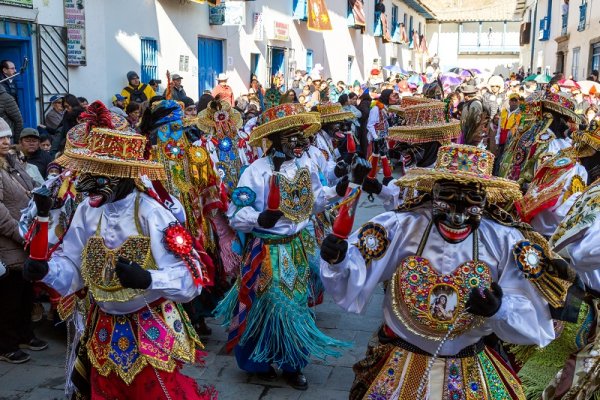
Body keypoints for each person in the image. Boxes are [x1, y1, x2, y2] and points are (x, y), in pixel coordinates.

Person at [320, 144, 559, 400]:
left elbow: (531, 312)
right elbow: (354, 270)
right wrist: (338, 259)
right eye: (448, 198)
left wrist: (498, 309)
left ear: (485, 200)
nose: (457, 215)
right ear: (433, 193)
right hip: (402, 359)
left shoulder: (504, 239)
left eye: (471, 202)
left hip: (471, 363)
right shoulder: (401, 226)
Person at [22, 126, 215, 399]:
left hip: (149, 325)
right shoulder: (87, 211)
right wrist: (48, 270)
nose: (84, 185)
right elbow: (73, 265)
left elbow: (190, 278)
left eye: (98, 177)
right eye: (86, 174)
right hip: (102, 326)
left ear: (123, 174)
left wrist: (149, 279)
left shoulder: (153, 214)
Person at [216, 103, 350, 390]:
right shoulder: (255, 171)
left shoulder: (304, 165)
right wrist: (258, 217)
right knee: (266, 306)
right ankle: (259, 361)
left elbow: (314, 202)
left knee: (296, 307)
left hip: (298, 247)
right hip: (266, 250)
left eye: (302, 137)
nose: (301, 143)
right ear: (275, 140)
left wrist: (338, 190)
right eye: (293, 137)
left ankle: (293, 364)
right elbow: (235, 214)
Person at [0, 118, 46, 364]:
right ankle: (6, 344)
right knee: (9, 297)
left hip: (25, 238)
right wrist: (20, 233)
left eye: (7, 137)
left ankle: (24, 334)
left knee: (26, 292)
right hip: (9, 243)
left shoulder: (12, 163)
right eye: (0, 138)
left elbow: (33, 187)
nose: (6, 142)